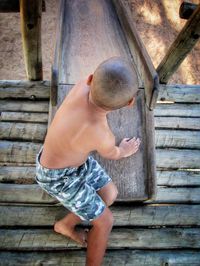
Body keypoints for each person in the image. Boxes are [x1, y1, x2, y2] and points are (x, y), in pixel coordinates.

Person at [35, 56, 140, 266]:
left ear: (90, 79)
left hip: (72, 162)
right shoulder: (103, 135)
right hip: (56, 177)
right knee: (105, 221)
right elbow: (113, 153)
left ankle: (64, 225)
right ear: (130, 103)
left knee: (110, 194)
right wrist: (124, 150)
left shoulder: (81, 85)